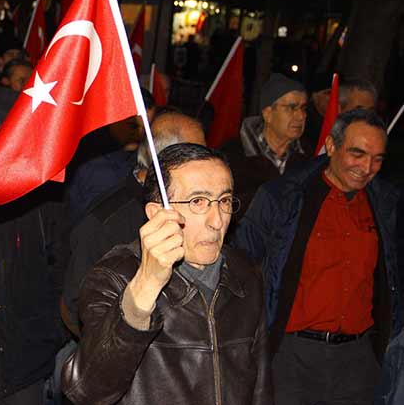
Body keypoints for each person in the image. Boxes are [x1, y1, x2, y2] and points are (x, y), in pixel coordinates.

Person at [62, 143, 271, 404]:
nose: (217, 221)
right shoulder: (114, 276)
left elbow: (260, 385)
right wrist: (144, 290)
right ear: (156, 213)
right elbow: (87, 390)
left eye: (224, 201)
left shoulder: (244, 274)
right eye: (198, 202)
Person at [235, 108, 402, 405]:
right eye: (357, 154)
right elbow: (239, 268)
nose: (367, 167)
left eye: (377, 159)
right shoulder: (283, 197)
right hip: (292, 357)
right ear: (331, 146)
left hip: (359, 360)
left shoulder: (386, 204)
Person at [61, 111, 206, 335]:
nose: (208, 167)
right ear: (166, 161)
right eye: (198, 157)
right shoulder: (105, 222)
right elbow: (75, 308)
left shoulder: (198, 210)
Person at [221, 73, 311, 221]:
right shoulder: (232, 155)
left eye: (303, 108)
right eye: (292, 107)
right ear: (268, 113)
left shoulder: (309, 157)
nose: (301, 116)